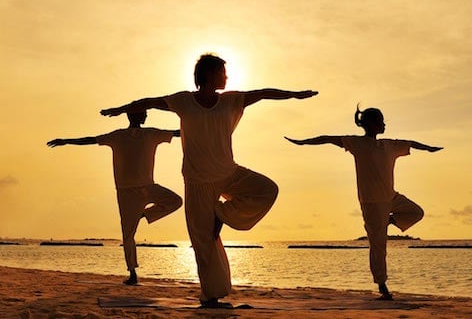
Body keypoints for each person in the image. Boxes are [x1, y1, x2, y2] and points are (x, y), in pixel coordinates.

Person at [100, 53, 318, 308]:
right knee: (203, 242)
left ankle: (222, 213)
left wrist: (293, 94)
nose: (226, 76)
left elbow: (263, 92)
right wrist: (120, 110)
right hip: (197, 180)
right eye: (222, 71)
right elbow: (148, 101)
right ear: (209, 74)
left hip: (229, 173)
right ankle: (211, 295)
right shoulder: (184, 101)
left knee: (267, 189)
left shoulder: (231, 100)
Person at [285, 106, 442, 300]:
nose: (384, 124)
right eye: (380, 121)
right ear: (369, 123)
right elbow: (327, 138)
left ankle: (389, 221)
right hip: (372, 202)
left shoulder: (390, 145)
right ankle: (382, 285)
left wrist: (429, 148)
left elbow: (412, 143)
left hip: (391, 197)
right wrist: (303, 142)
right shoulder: (357, 143)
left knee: (416, 212)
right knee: (378, 245)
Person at [47, 111, 183, 286]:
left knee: (175, 201)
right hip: (126, 192)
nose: (146, 116)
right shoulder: (119, 136)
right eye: (144, 113)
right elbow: (91, 139)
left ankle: (145, 215)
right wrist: (66, 141)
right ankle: (133, 273)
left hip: (148, 187)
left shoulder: (151, 133)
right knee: (128, 234)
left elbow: (178, 133)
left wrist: (202, 128)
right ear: (136, 117)